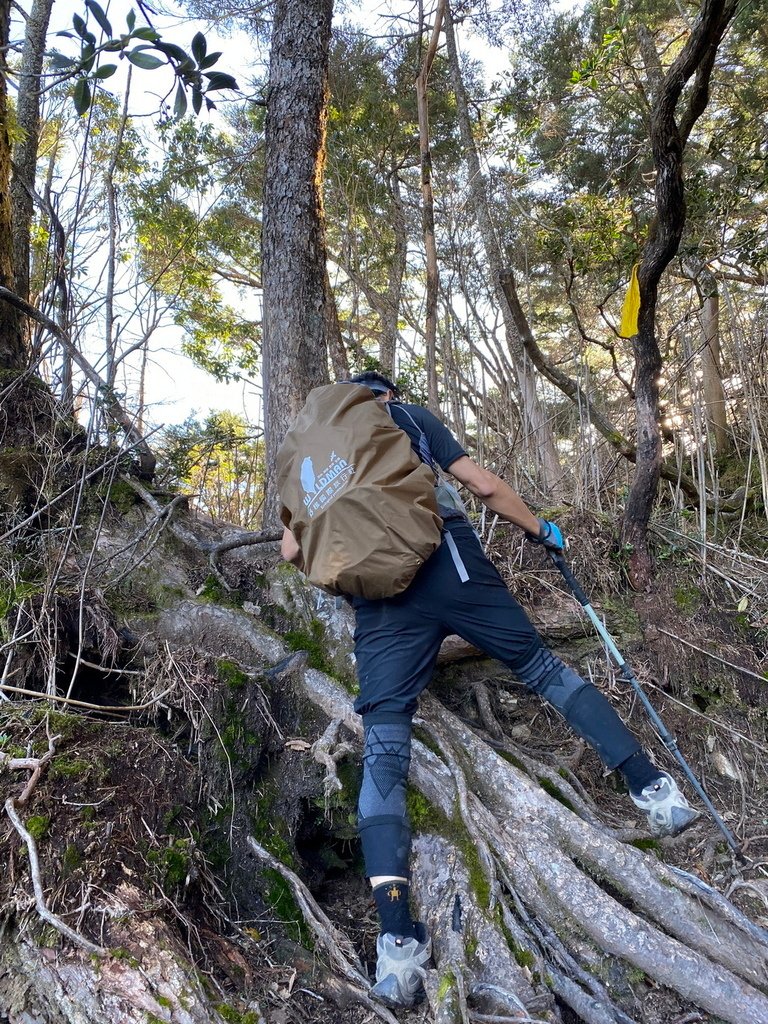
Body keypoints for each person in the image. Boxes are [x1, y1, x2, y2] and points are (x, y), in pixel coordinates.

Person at [280, 370, 698, 1009]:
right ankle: (656, 795)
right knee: (542, 671)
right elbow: (482, 485)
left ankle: (397, 947)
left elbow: (289, 550)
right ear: (382, 396)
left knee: (386, 747)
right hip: (451, 563)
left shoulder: (310, 461)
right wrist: (541, 530)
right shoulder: (408, 419)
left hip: (381, 608)